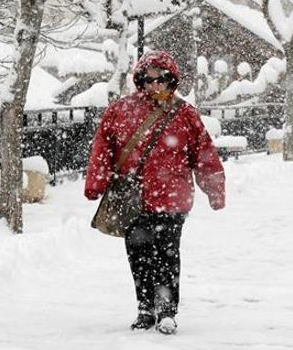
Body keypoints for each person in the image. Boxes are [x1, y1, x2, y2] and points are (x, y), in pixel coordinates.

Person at [84, 51, 226, 335]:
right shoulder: (120, 110)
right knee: (139, 254)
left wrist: (215, 190)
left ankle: (166, 310)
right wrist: (95, 183)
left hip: (173, 199)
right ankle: (145, 308)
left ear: (171, 80)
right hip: (134, 198)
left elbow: (204, 153)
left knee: (168, 253)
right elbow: (103, 148)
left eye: (161, 79)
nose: (155, 85)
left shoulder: (185, 114)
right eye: (148, 80)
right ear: (140, 81)